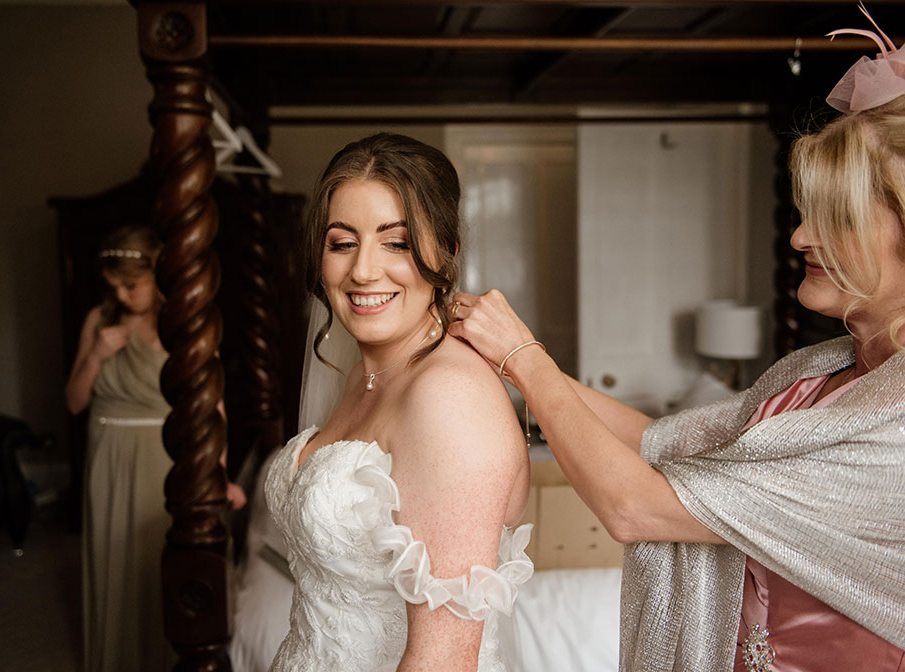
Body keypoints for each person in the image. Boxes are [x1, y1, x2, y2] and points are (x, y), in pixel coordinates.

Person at [448, 18, 905, 672]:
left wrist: (523, 358)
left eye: (835, 220)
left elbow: (637, 508)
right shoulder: (813, 373)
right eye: (805, 213)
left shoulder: (896, 435)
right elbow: (659, 441)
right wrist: (513, 363)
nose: (801, 237)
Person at [265, 133, 533, 672]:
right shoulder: (367, 376)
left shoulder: (449, 396)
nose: (363, 271)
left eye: (397, 242)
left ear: (448, 253)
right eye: (342, 243)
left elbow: (445, 658)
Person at [65, 225, 245, 672]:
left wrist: (219, 475)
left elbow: (213, 409)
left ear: (157, 274)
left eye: (132, 284)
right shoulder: (98, 322)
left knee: (160, 560)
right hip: (109, 453)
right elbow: (73, 403)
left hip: (167, 457)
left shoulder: (186, 325)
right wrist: (95, 357)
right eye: (114, 287)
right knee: (114, 559)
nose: (123, 296)